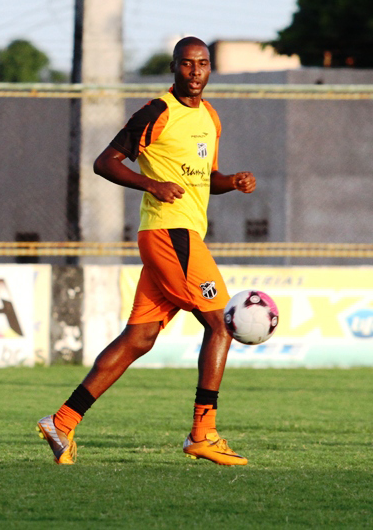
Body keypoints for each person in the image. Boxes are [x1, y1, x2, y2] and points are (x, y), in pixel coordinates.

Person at [37, 37, 256, 466]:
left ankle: (61, 422)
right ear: (174, 67)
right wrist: (151, 184)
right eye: (187, 64)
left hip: (181, 236)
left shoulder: (210, 117)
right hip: (169, 233)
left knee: (140, 338)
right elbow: (105, 162)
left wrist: (231, 181)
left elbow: (205, 178)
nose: (195, 71)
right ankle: (203, 433)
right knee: (222, 323)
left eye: (203, 63)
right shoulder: (156, 112)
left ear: (210, 69)